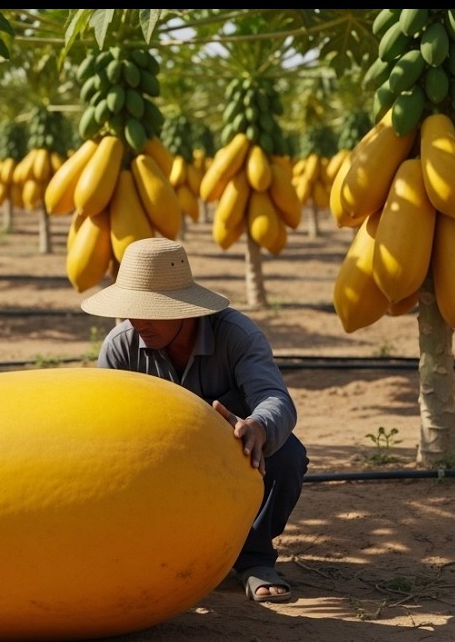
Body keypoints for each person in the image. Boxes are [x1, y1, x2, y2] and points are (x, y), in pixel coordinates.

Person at [79, 237, 309, 603]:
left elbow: (275, 399)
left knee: (287, 456)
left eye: (148, 310)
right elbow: (103, 424)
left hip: (227, 453)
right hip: (155, 461)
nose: (136, 321)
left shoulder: (237, 335)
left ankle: (253, 559)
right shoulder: (121, 345)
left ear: (182, 309)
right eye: (130, 310)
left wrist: (258, 427)